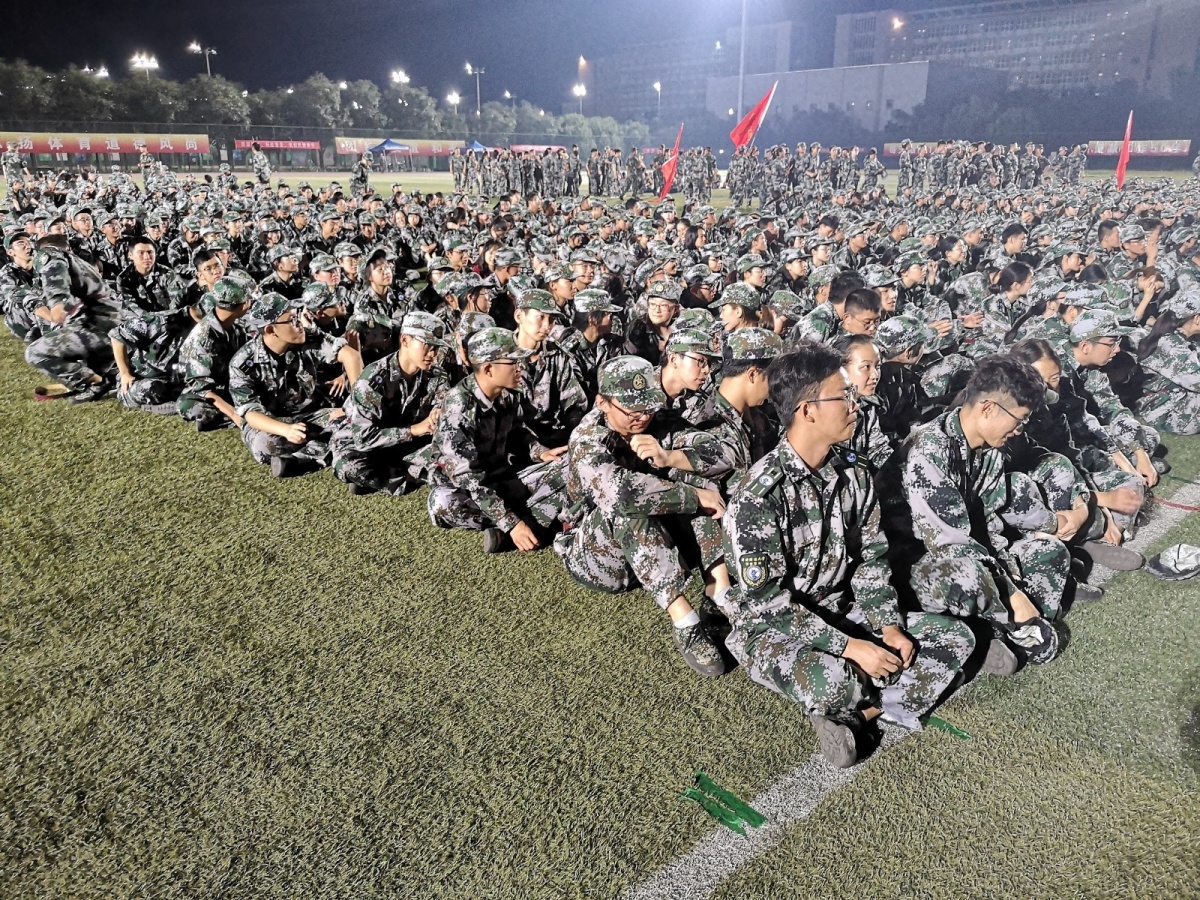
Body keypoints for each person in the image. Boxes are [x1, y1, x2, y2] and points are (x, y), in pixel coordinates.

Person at [722, 342, 976, 766]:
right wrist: (850, 647)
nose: (855, 405)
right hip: (771, 629)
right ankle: (868, 696)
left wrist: (888, 627)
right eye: (843, 396)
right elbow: (768, 604)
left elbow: (871, 562)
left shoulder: (854, 474)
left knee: (956, 638)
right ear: (808, 410)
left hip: (840, 609)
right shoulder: (758, 498)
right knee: (836, 680)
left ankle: (862, 716)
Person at [882, 354, 1068, 669]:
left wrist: (1010, 577)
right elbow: (951, 544)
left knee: (1050, 551)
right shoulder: (928, 450)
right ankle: (991, 633)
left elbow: (989, 529)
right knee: (969, 577)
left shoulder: (989, 448)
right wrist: (1011, 593)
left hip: (966, 555)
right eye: (1020, 419)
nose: (1020, 430)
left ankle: (995, 631)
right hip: (915, 568)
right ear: (988, 408)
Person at [553, 355, 729, 676]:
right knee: (631, 506)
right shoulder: (586, 440)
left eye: (648, 406)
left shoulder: (655, 419)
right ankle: (686, 622)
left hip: (654, 546)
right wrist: (693, 496)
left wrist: (670, 456)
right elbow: (620, 493)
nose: (643, 417)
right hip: (598, 559)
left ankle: (718, 593)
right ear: (603, 403)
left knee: (699, 479)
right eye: (633, 410)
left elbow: (718, 454)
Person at [425, 327, 564, 551]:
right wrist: (512, 524)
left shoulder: (507, 394)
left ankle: (514, 527)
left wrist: (540, 452)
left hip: (502, 478)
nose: (520, 367)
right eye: (513, 362)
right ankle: (527, 523)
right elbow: (468, 478)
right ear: (488, 369)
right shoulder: (459, 406)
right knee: (442, 503)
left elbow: (517, 432)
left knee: (563, 466)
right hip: (465, 489)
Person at [228, 292, 364, 477]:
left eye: (297, 316)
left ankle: (301, 459)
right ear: (271, 329)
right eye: (292, 320)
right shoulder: (243, 363)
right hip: (272, 423)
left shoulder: (308, 337)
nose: (300, 323)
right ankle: (332, 446)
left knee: (357, 421)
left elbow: (351, 356)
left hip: (310, 414)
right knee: (264, 446)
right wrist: (286, 430)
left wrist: (357, 405)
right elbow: (251, 413)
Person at [332, 311, 449, 495]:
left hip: (406, 443)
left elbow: (443, 403)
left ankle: (403, 474)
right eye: (427, 345)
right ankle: (413, 474)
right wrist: (414, 430)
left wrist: (437, 413)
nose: (433, 354)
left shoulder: (436, 375)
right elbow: (363, 438)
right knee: (349, 466)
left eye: (436, 347)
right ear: (405, 340)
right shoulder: (372, 379)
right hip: (367, 445)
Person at [177, 277, 253, 431]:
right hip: (203, 390)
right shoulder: (202, 338)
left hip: (229, 382)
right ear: (244, 305)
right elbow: (201, 387)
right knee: (194, 407)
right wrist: (234, 415)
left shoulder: (235, 325)